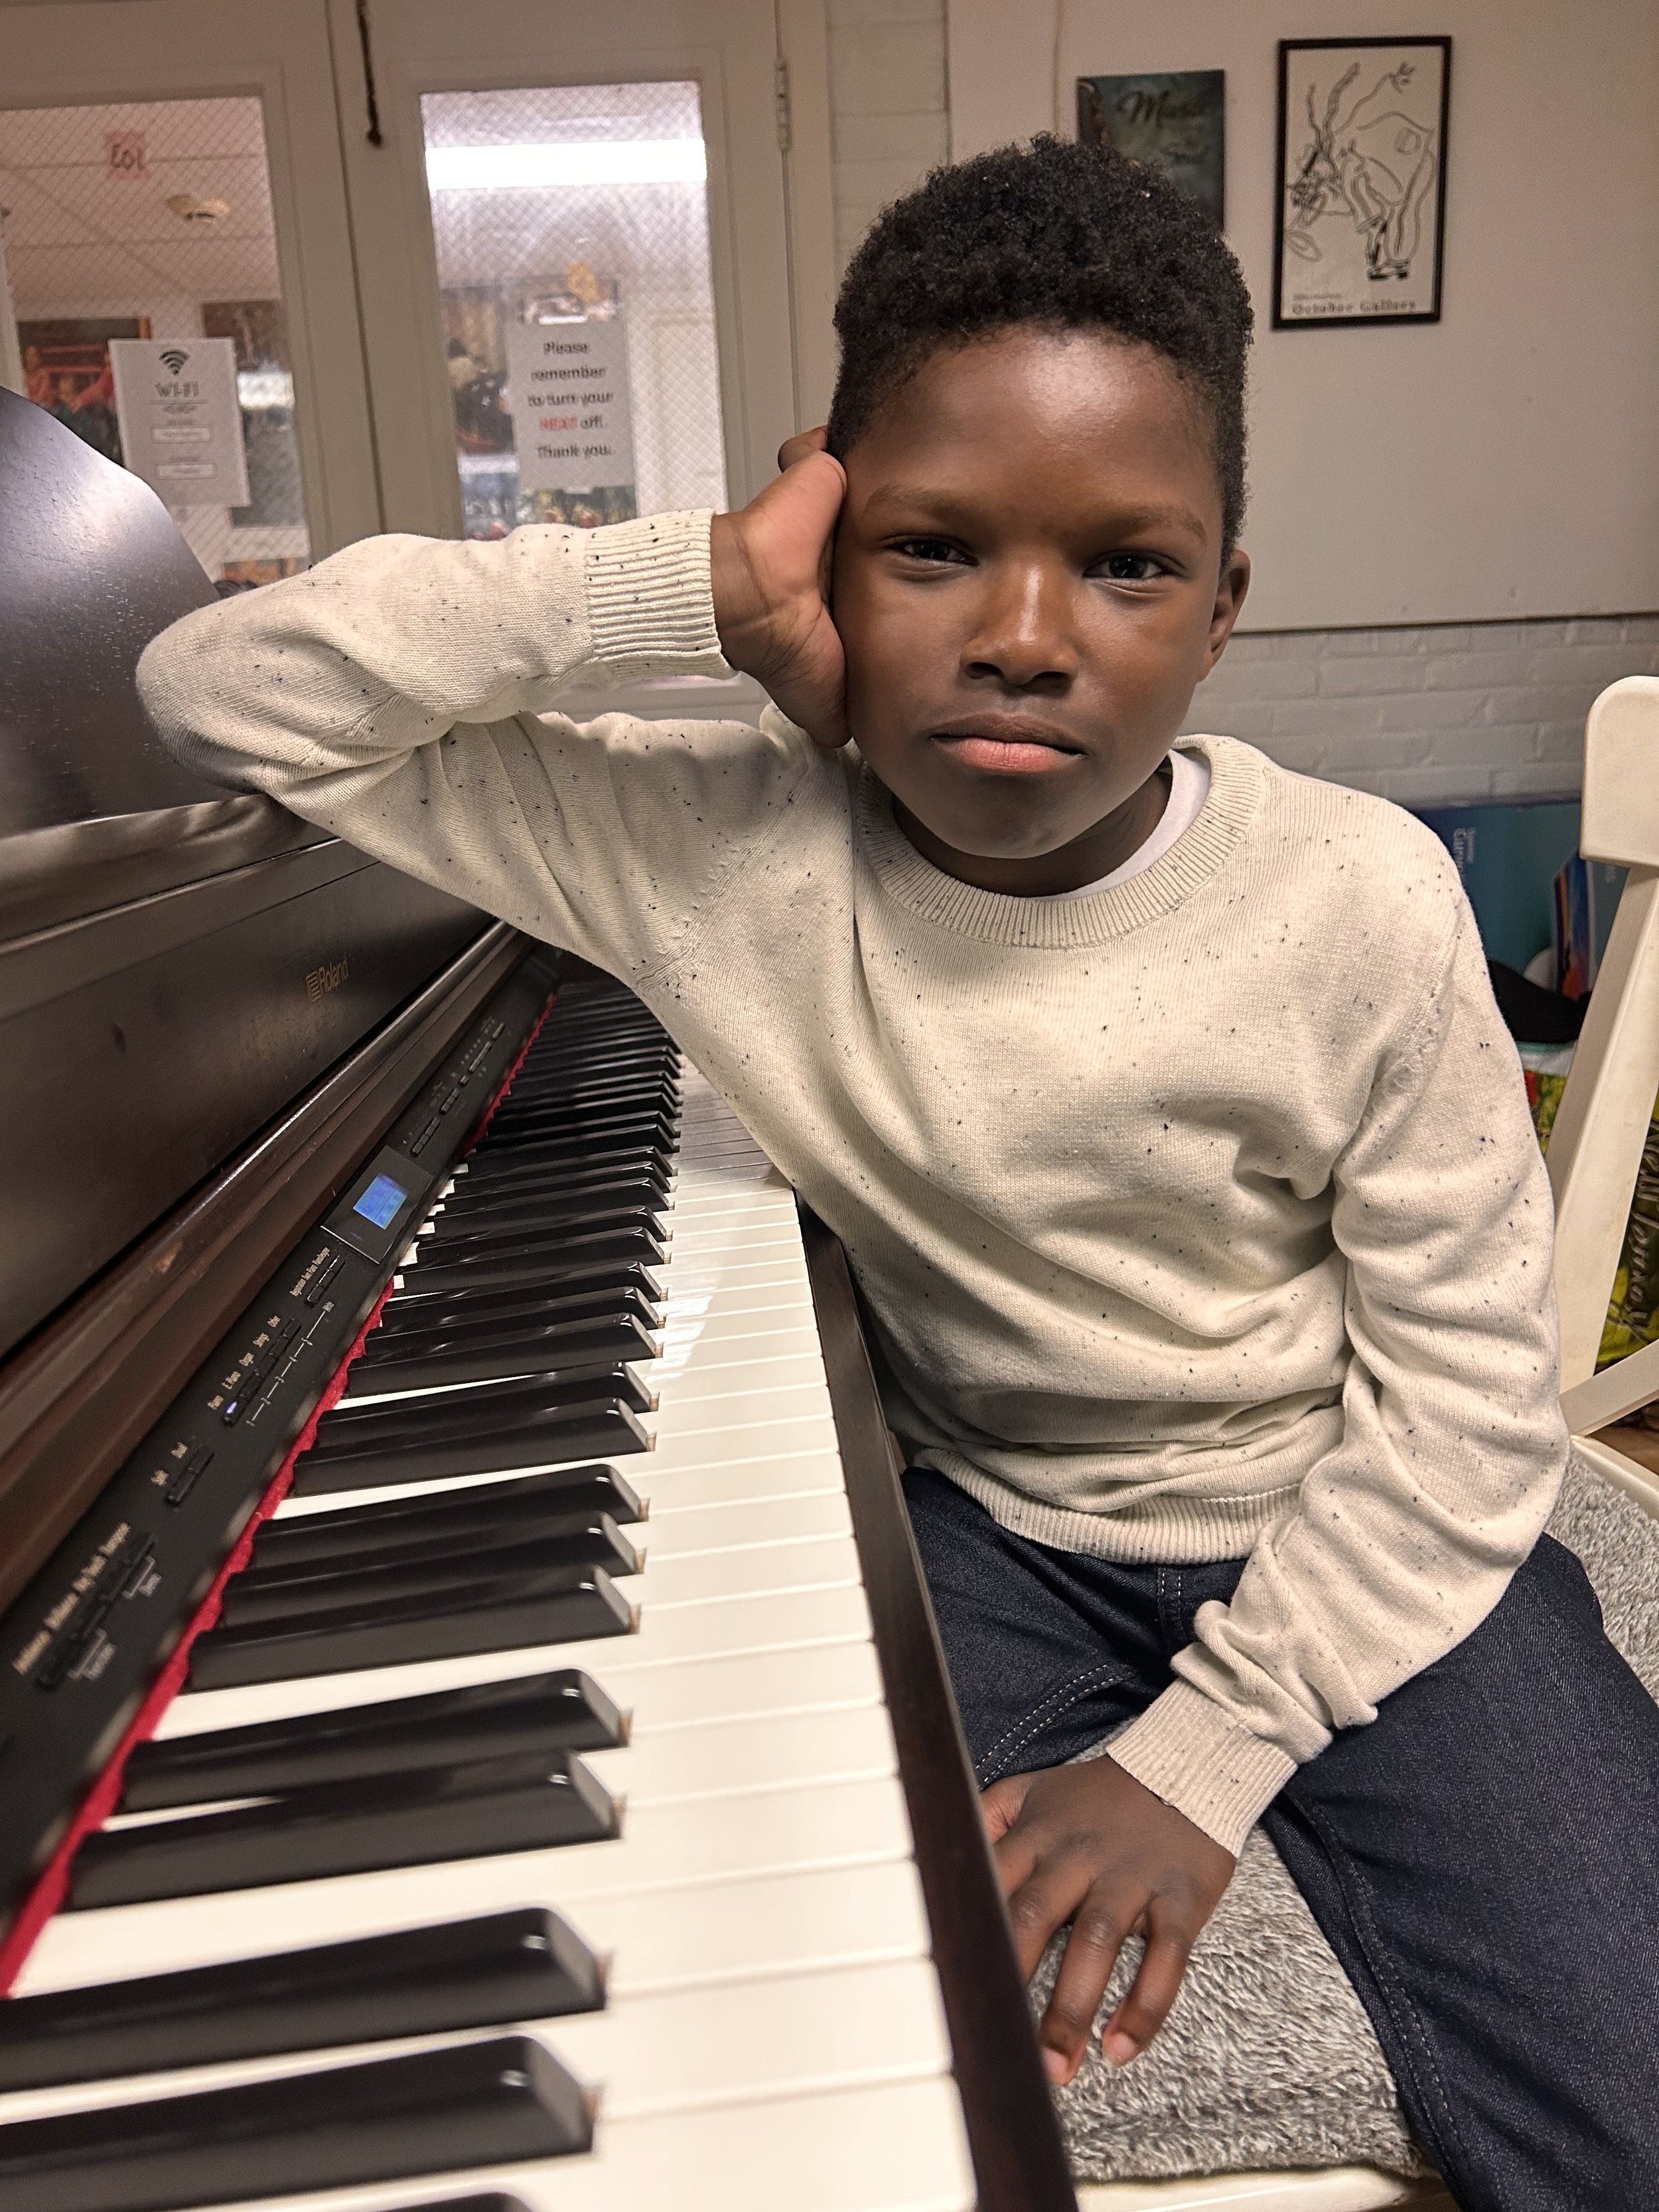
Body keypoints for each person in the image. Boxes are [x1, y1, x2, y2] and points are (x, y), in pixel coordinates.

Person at [137, 137, 1659, 2206]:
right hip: (984, 1526)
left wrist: (1199, 1764)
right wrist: (683, 580)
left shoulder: (1359, 905)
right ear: (825, 540)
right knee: (803, 2006)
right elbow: (221, 694)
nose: (1027, 635)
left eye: (1124, 567)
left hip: (1356, 1517)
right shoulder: (701, 840)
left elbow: (1467, 1413)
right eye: (931, 547)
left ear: (1222, 612)